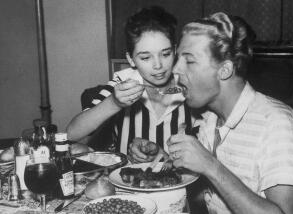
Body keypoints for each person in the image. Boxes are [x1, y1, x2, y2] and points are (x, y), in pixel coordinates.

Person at [130, 12, 293, 214]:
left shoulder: (277, 123)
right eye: (178, 58)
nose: (176, 70)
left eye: (189, 61)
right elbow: (207, 197)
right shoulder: (210, 120)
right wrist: (165, 158)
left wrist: (210, 166)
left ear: (224, 70)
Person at [66, 6, 197, 159]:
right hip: (124, 179)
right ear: (131, 59)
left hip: (182, 179)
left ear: (175, 51)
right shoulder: (122, 81)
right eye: (145, 57)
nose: (158, 65)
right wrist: (114, 103)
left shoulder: (191, 86)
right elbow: (71, 133)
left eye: (165, 54)